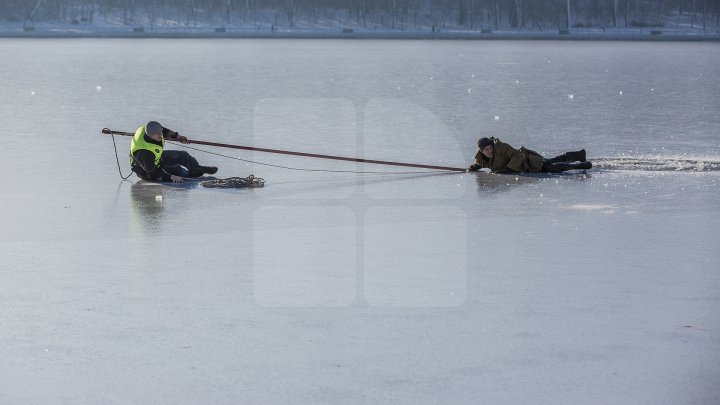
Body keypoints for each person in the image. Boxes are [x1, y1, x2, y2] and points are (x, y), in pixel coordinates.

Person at [130, 121, 218, 183]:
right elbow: (152, 174)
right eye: (158, 134)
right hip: (148, 171)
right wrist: (171, 177)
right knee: (181, 172)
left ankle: (197, 168)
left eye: (160, 132)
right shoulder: (144, 152)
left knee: (183, 156)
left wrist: (177, 137)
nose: (161, 135)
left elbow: (163, 130)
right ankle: (188, 174)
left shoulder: (147, 130)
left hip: (158, 158)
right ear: (150, 135)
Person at [468, 137, 592, 173]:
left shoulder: (501, 147)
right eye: (486, 150)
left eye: (490, 148)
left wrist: (508, 169)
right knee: (551, 160)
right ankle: (579, 154)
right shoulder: (482, 158)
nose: (490, 151)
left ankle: (582, 165)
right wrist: (475, 167)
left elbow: (518, 156)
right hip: (525, 162)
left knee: (551, 167)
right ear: (481, 152)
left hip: (528, 161)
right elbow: (482, 162)